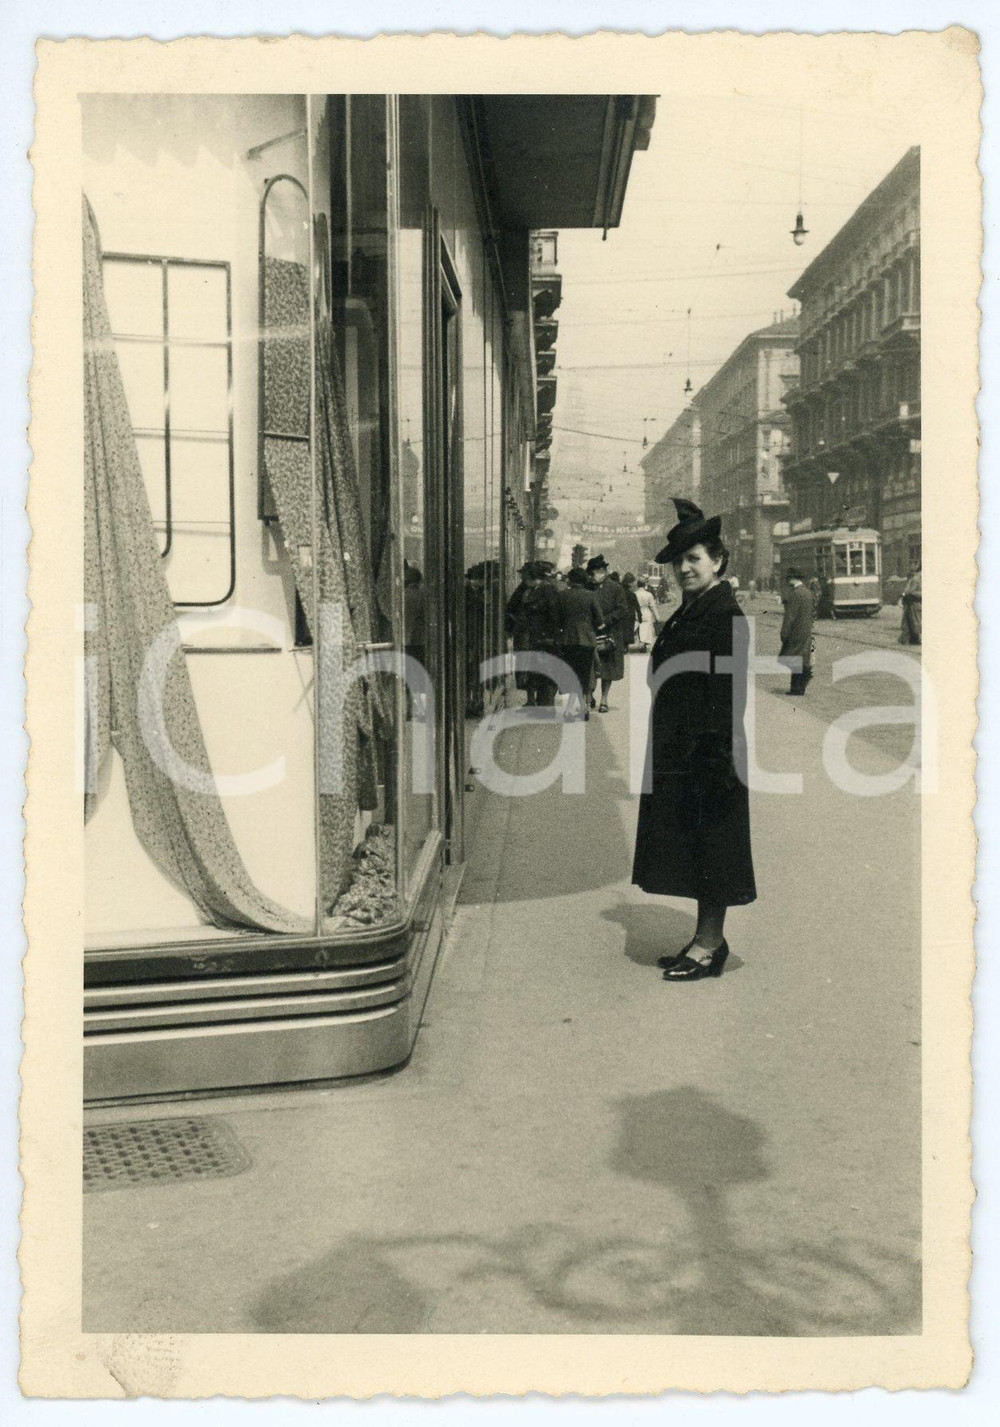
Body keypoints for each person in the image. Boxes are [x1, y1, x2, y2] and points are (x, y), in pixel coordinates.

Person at [632, 498, 756, 981]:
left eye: (694, 559)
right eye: (679, 561)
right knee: (695, 845)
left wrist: (719, 757)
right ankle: (705, 939)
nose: (684, 568)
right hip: (681, 745)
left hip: (709, 748)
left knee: (713, 846)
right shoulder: (692, 611)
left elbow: (729, 696)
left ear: (718, 561)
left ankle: (709, 945)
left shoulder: (725, 616)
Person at [555, 567, 606, 721]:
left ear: (570, 580)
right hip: (587, 640)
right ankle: (584, 706)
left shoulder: (562, 596)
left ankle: (570, 709)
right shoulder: (591, 596)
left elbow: (557, 619)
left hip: (568, 639)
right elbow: (600, 620)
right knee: (585, 673)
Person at [587, 553, 631, 713]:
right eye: (589, 574)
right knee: (590, 667)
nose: (591, 577)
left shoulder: (616, 588)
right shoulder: (587, 586)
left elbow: (622, 609)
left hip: (610, 634)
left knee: (608, 669)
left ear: (602, 572)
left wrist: (606, 620)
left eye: (593, 574)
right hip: (591, 633)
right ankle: (589, 695)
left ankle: (604, 699)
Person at [520, 560, 562, 708]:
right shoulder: (532, 589)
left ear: (531, 577)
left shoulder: (547, 589)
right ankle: (539, 702)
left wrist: (551, 636)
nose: (523, 581)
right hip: (535, 635)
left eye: (525, 577)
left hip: (545, 636)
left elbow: (554, 614)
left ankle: (547, 703)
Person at [780, 567, 815, 695]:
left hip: (795, 632)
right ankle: (799, 686)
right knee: (801, 658)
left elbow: (790, 616)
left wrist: (784, 633)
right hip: (806, 631)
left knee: (793, 659)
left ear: (792, 579)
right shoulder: (808, 592)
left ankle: (797, 687)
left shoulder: (795, 594)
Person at [505, 562, 536, 696]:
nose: (522, 577)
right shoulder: (523, 588)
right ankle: (526, 687)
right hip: (523, 630)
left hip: (526, 631)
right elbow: (510, 608)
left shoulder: (524, 588)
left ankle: (528, 688)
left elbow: (510, 607)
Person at [634, 576, 658, 651]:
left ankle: (641, 642)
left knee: (639, 627)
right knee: (647, 627)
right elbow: (653, 606)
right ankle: (644, 643)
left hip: (637, 611)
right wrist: (657, 616)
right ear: (645, 585)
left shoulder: (635, 594)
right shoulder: (649, 594)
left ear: (637, 585)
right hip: (646, 611)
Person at [899, 565, 922, 645]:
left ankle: (908, 639)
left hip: (913, 602)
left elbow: (907, 591)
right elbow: (909, 592)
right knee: (913, 621)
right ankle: (911, 639)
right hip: (913, 603)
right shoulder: (916, 579)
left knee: (911, 621)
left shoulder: (916, 578)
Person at [621, 572, 642, 648]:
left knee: (622, 630)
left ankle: (623, 644)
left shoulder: (619, 593)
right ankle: (626, 645)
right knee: (629, 630)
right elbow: (637, 606)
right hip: (630, 614)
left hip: (622, 614)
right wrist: (640, 616)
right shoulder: (632, 594)